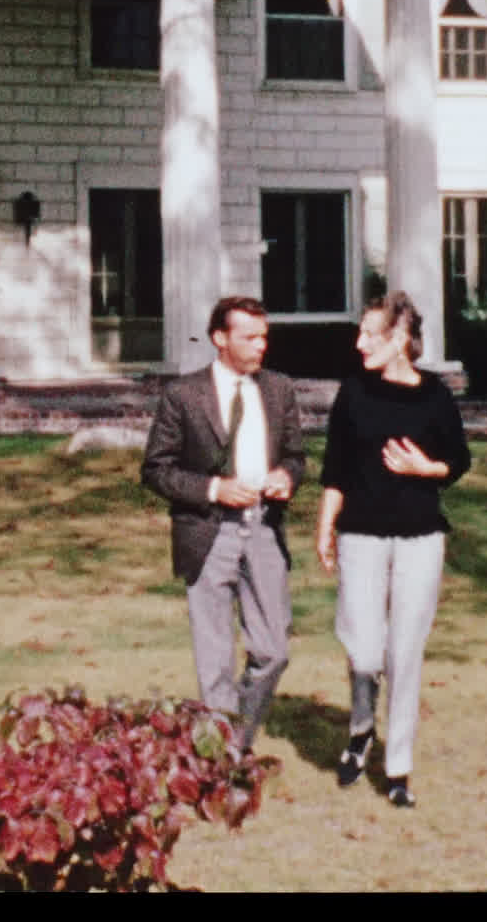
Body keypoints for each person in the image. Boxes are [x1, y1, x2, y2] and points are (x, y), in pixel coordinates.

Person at [314, 292, 469, 808]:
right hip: (360, 533)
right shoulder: (354, 392)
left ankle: (397, 766)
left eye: (369, 335)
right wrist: (324, 526)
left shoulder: (435, 397)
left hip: (420, 537)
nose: (358, 344)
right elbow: (335, 467)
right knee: (362, 645)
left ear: (400, 339)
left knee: (406, 650)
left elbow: (459, 460)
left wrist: (428, 469)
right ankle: (362, 729)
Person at [141, 296, 305, 754]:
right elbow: (156, 469)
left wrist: (287, 476)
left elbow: (296, 456)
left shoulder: (278, 390)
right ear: (220, 339)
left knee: (274, 650)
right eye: (250, 337)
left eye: (264, 336)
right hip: (206, 533)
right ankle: (224, 760)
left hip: (264, 529)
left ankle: (236, 735)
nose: (261, 346)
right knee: (214, 659)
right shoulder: (184, 395)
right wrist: (214, 489)